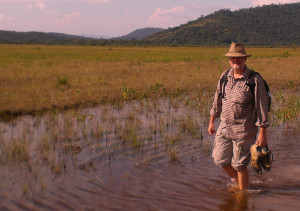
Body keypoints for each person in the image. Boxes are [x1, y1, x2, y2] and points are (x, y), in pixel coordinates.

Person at [208, 42, 269, 191]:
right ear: (229, 60)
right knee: (219, 159)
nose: (236, 60)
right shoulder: (224, 77)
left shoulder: (254, 80)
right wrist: (212, 121)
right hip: (224, 127)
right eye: (233, 58)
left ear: (245, 59)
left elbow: (262, 107)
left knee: (239, 164)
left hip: (244, 130)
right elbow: (217, 100)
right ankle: (238, 180)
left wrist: (262, 133)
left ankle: (242, 195)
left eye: (239, 58)